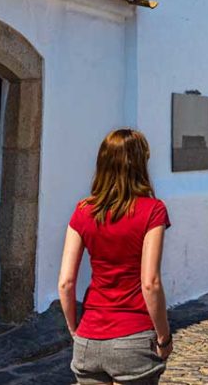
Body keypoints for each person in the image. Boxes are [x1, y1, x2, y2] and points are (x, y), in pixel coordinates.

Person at [58, 129, 172, 385]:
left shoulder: (83, 211)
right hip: (133, 337)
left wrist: (74, 329)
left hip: (89, 338)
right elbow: (150, 282)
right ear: (140, 164)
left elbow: (65, 282)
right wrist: (164, 338)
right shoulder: (153, 210)